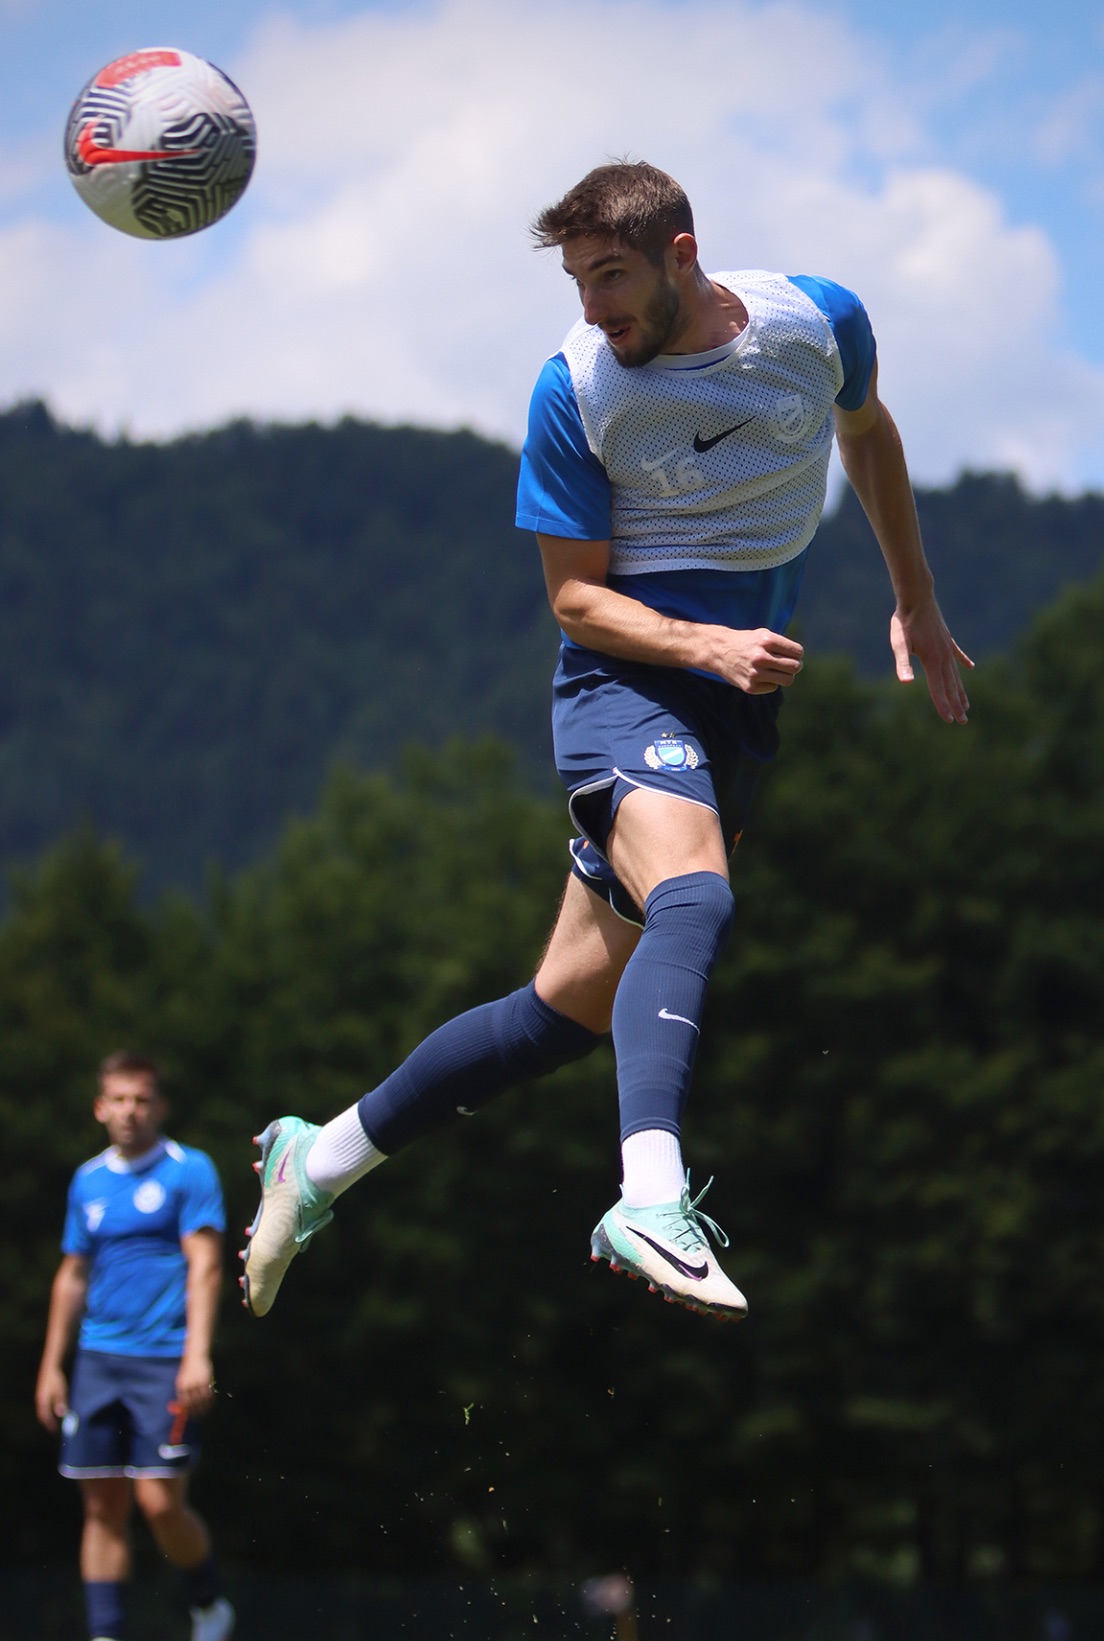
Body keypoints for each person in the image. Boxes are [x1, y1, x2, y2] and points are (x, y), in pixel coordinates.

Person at [240, 160, 969, 1325]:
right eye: (578, 282)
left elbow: (866, 433)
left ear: (682, 254)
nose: (592, 306)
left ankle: (317, 1158)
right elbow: (574, 600)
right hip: (624, 687)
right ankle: (649, 1198)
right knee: (695, 895)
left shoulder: (816, 320)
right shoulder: (574, 387)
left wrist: (914, 599)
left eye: (611, 276)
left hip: (733, 708)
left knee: (562, 1010)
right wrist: (703, 644)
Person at [35, 1052, 234, 1641]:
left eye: (142, 1100)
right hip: (98, 1359)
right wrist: (52, 1365)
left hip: (164, 1359)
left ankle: (210, 1609)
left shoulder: (188, 1170)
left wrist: (196, 1353)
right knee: (102, 1503)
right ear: (101, 1108)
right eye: (119, 1100)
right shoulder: (88, 1180)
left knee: (158, 1501)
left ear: (160, 1107)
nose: (130, 1111)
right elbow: (73, 1274)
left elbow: (206, 1265)